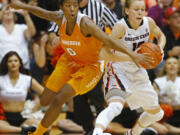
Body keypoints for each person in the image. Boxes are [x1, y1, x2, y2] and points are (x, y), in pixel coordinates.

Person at [9, 0, 152, 135]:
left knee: (60, 98)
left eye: (75, 5)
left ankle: (37, 133)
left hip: (90, 66)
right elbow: (40, 11)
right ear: (61, 7)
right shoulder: (59, 17)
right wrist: (21, 5)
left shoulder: (85, 23)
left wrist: (133, 55)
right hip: (69, 61)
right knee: (44, 100)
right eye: (68, 5)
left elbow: (108, 40)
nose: (72, 9)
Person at [92, 0, 166, 135]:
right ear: (127, 11)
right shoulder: (120, 27)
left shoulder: (148, 22)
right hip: (118, 68)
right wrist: (132, 57)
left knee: (157, 114)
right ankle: (97, 132)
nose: (140, 12)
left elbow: (161, 36)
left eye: (142, 9)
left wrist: (159, 48)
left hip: (138, 70)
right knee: (116, 106)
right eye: (136, 9)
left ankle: (133, 133)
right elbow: (103, 53)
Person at [0, 51, 44, 134]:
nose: (13, 63)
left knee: (46, 128)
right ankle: (22, 130)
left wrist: (38, 102)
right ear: (6, 64)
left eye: (16, 61)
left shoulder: (27, 79)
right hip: (4, 118)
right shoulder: (1, 79)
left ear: (20, 63)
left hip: (23, 118)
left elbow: (45, 94)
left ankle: (18, 130)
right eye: (10, 61)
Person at [0, 5, 36, 70]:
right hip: (3, 68)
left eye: (10, 11)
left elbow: (32, 33)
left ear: (14, 15)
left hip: (22, 67)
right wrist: (2, 10)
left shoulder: (21, 27)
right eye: (5, 12)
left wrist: (26, 15)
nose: (8, 12)